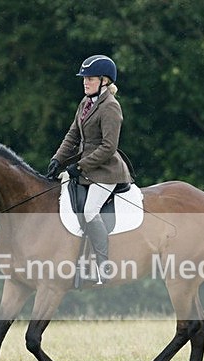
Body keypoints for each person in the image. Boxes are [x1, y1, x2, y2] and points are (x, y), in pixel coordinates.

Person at [45, 54, 132, 282]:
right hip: (86, 170)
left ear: (104, 81)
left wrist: (79, 167)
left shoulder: (110, 107)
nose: (85, 82)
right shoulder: (85, 103)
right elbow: (73, 135)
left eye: (90, 78)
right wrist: (57, 159)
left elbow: (108, 147)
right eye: (84, 78)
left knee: (90, 211)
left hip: (106, 171)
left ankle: (104, 266)